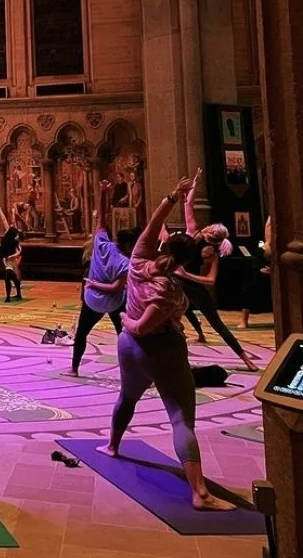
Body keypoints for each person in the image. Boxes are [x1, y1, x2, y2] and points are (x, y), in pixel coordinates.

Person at [101, 175, 235, 512]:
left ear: (165, 247)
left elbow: (152, 225)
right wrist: (131, 322)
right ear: (185, 261)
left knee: (126, 396)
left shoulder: (138, 261)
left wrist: (174, 195)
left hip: (127, 347)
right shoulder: (170, 292)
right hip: (161, 350)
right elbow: (145, 326)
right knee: (180, 419)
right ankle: (200, 493)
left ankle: (112, 445)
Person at [173, 170, 259, 372]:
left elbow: (211, 281)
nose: (208, 226)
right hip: (176, 281)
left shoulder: (211, 251)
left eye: (210, 227)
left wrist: (187, 275)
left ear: (211, 232)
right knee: (172, 316)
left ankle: (246, 359)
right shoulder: (194, 232)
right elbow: (187, 205)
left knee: (217, 324)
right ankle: (173, 357)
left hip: (189, 284)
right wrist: (195, 185)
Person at [65, 181, 135, 377]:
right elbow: (115, 288)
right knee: (124, 336)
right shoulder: (125, 263)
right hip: (114, 302)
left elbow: (101, 219)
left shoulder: (101, 244)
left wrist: (103, 192)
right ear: (129, 245)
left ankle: (74, 368)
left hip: (92, 299)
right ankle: (130, 371)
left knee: (82, 334)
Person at [240, 216, 272, 330]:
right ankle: (244, 321)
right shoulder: (267, 242)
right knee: (247, 290)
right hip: (260, 270)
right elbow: (268, 224)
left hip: (273, 273)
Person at [0, 202, 23, 302]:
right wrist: (0, 209)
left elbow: (19, 251)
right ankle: (18, 294)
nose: (9, 224)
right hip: (7, 259)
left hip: (11, 260)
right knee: (12, 277)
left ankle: (8, 296)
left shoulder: (13, 236)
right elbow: (6, 220)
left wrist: (13, 256)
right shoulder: (8, 233)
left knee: (8, 276)